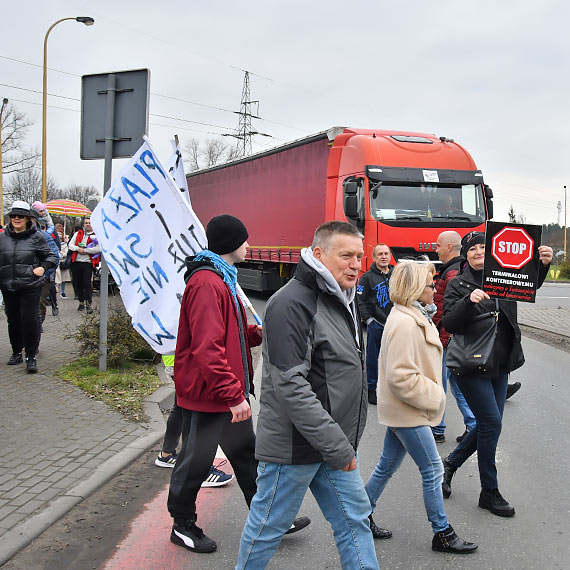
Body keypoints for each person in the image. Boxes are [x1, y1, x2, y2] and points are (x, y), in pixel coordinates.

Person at [236, 221, 379, 570]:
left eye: (359, 256)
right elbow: (290, 385)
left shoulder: (340, 297)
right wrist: (337, 445)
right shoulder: (291, 303)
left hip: (332, 443)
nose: (356, 263)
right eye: (346, 255)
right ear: (318, 254)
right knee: (268, 527)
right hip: (294, 447)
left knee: (355, 519)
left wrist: (338, 443)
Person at [167, 214, 309, 554]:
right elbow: (206, 347)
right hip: (210, 396)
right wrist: (233, 395)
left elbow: (225, 331)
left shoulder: (221, 279)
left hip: (221, 394)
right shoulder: (207, 283)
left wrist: (254, 334)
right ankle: (182, 525)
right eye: (245, 240)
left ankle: (269, 517)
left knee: (247, 456)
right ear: (231, 243)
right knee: (195, 463)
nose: (249, 245)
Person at [364, 260, 477, 554]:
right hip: (408, 410)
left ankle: (360, 515)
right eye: (429, 284)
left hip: (404, 409)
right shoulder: (404, 322)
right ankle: (442, 533)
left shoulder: (411, 314)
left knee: (387, 465)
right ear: (415, 287)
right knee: (433, 470)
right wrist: (436, 395)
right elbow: (401, 377)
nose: (433, 287)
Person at [441, 231, 552, 516]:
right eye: (473, 248)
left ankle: (451, 463)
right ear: (465, 254)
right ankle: (489, 491)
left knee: (489, 424)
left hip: (500, 363)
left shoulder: (504, 275)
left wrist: (542, 264)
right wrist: (469, 301)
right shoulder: (458, 284)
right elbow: (450, 323)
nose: (479, 252)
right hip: (470, 365)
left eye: (483, 247)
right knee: (491, 424)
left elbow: (529, 284)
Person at [155, 353, 234, 487]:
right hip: (187, 361)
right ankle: (198, 470)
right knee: (194, 411)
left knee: (181, 409)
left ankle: (167, 455)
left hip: (177, 360)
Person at [0, 201, 57, 373]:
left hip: (30, 285)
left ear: (28, 218)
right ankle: (17, 351)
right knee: (14, 320)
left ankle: (30, 357)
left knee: (30, 320)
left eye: (20, 216)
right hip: (8, 286)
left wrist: (42, 268)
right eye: (13, 216)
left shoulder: (37, 237)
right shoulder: (2, 238)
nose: (16, 219)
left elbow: (51, 257)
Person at [432, 231, 476, 443]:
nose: (436, 249)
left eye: (438, 245)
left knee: (440, 383)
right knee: (458, 383)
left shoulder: (452, 274)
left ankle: (438, 428)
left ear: (449, 247)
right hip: (450, 337)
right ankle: (472, 425)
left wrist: (444, 337)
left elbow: (450, 309)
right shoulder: (456, 269)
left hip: (446, 338)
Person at [357, 243, 394, 405]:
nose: (384, 256)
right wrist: (369, 320)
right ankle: (372, 389)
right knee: (373, 359)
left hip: (395, 325)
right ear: (374, 257)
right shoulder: (367, 278)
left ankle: (391, 390)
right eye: (380, 254)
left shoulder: (396, 274)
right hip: (377, 324)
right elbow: (359, 300)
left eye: (386, 253)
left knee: (394, 359)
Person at [30, 210, 60, 321]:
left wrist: (44, 271)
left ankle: (38, 323)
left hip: (42, 277)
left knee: (39, 301)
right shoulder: (12, 237)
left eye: (30, 219)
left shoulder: (44, 236)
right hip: (22, 278)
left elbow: (54, 257)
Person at [68, 217, 101, 313]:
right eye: (86, 223)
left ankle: (89, 303)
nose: (87, 224)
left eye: (89, 223)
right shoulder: (78, 234)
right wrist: (78, 249)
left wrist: (86, 250)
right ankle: (81, 301)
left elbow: (99, 248)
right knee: (77, 283)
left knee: (87, 283)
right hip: (76, 262)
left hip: (88, 263)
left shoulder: (96, 235)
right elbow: (70, 245)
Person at [55, 224, 71, 298]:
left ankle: (63, 292)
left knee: (63, 279)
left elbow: (67, 251)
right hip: (56, 262)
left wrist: (62, 254)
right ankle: (55, 290)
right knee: (56, 278)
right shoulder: (54, 243)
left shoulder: (65, 244)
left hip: (63, 262)